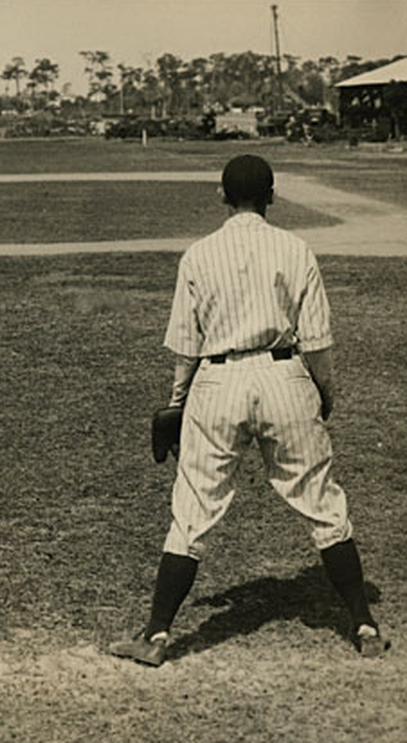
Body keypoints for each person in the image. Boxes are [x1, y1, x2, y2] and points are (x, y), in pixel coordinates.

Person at [108, 154, 389, 667]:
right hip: (285, 377)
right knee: (323, 505)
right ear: (272, 197)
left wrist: (176, 404)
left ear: (221, 196)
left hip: (217, 382)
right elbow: (318, 341)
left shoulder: (198, 255)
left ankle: (156, 637)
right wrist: (324, 391)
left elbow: (186, 348)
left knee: (192, 510)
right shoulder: (295, 247)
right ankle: (365, 626)